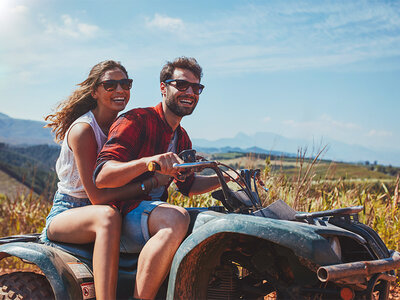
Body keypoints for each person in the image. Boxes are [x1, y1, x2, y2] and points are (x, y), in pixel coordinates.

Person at [94, 56, 233, 299]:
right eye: (181, 85)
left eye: (196, 88)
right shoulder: (135, 120)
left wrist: (227, 177)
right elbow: (103, 175)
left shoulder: (182, 137)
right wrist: (151, 163)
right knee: (176, 217)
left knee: (215, 220)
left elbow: (187, 186)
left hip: (151, 215)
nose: (189, 92)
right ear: (163, 87)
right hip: (123, 212)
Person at [41, 60, 168, 300]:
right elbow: (96, 196)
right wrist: (150, 183)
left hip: (105, 208)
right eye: (110, 85)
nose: (120, 90)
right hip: (69, 211)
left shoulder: (122, 126)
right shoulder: (84, 130)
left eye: (125, 83)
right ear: (94, 92)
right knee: (107, 216)